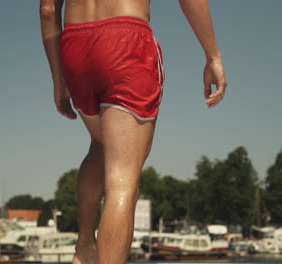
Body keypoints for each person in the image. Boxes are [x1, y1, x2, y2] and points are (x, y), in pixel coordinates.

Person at [39, 0, 228, 263]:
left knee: (100, 145)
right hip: (126, 40)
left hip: (75, 46)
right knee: (123, 182)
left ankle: (84, 246)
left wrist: (58, 80)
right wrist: (213, 56)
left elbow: (48, 10)